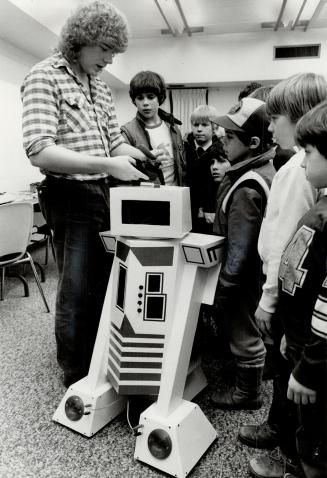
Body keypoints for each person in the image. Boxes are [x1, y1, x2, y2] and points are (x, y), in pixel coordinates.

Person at [20, 1, 159, 388]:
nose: (111, 61)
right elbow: (39, 150)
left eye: (115, 53)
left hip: (101, 192)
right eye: (106, 51)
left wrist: (144, 154)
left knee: (103, 280)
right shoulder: (44, 76)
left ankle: (98, 356)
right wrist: (108, 163)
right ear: (82, 41)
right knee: (77, 287)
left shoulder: (96, 85)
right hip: (68, 193)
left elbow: (114, 143)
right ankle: (76, 374)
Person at [235, 73, 327, 478]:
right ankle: (286, 441)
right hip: (292, 300)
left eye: (277, 118)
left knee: (294, 378)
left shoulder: (298, 173)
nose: (270, 127)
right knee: (286, 370)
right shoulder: (297, 167)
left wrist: (269, 299)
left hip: (293, 300)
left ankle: (291, 454)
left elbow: (289, 249)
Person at [209, 97, 275, 409]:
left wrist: (225, 288)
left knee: (243, 332)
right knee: (246, 329)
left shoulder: (247, 187)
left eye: (230, 136)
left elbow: (239, 250)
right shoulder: (261, 169)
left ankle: (247, 394)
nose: (223, 140)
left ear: (252, 142)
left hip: (242, 278)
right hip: (253, 277)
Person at [121, 70, 185, 186]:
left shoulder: (173, 127)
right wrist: (148, 162)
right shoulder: (128, 132)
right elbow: (125, 171)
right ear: (134, 100)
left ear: (159, 98)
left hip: (175, 194)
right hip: (148, 198)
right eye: (140, 98)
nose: (145, 103)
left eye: (150, 97)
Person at [184, 104, 223, 232]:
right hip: (187, 211)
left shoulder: (222, 151)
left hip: (211, 213)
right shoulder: (184, 148)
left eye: (205, 125)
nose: (199, 129)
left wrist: (210, 207)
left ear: (214, 127)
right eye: (195, 125)